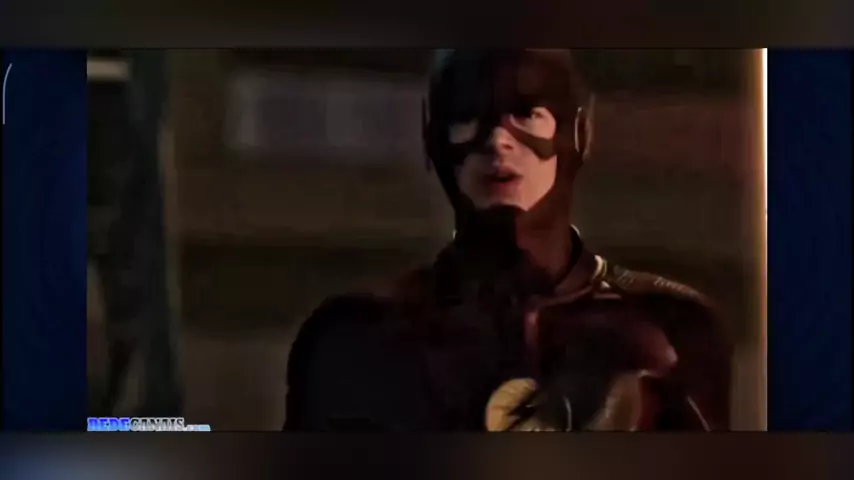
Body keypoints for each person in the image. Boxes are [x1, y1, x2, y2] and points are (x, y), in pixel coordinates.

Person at [283, 49, 732, 431]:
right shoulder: (356, 339)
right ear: (433, 139)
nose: (497, 140)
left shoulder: (671, 329)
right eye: (468, 117)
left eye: (527, 114)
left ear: (578, 133)